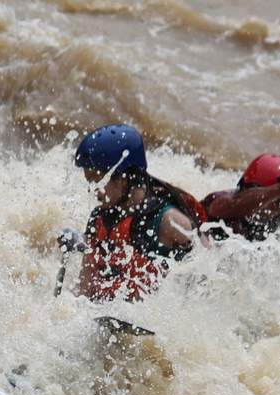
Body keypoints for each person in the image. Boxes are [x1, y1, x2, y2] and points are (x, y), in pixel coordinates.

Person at [70, 124, 207, 302]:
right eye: (89, 182)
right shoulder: (99, 219)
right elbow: (84, 287)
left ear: (124, 178)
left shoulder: (168, 221)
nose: (92, 190)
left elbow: (206, 272)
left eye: (98, 182)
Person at [202, 153, 280, 243]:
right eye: (279, 200)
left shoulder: (277, 224)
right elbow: (229, 206)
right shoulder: (223, 201)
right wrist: (279, 189)